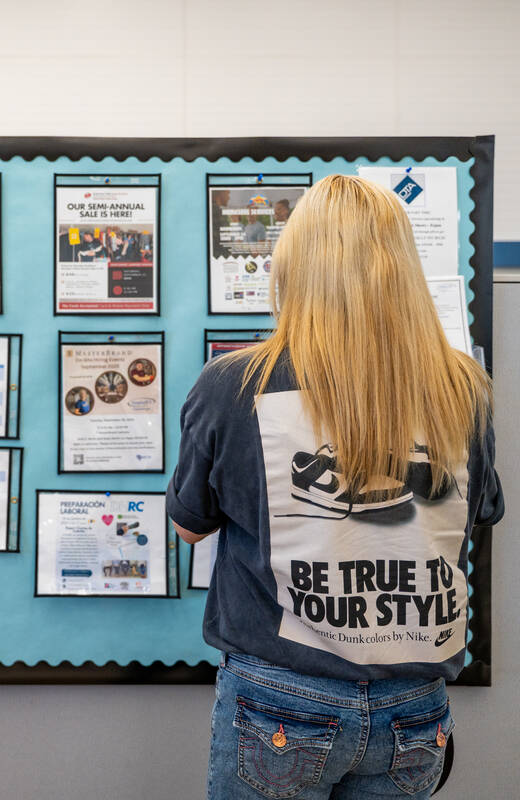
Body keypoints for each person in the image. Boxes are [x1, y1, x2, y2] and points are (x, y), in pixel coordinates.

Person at [167, 175, 502, 799]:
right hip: (415, 703)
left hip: (280, 700)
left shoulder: (235, 383)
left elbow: (189, 526)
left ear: (294, 267)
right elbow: (474, 513)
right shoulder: (462, 387)